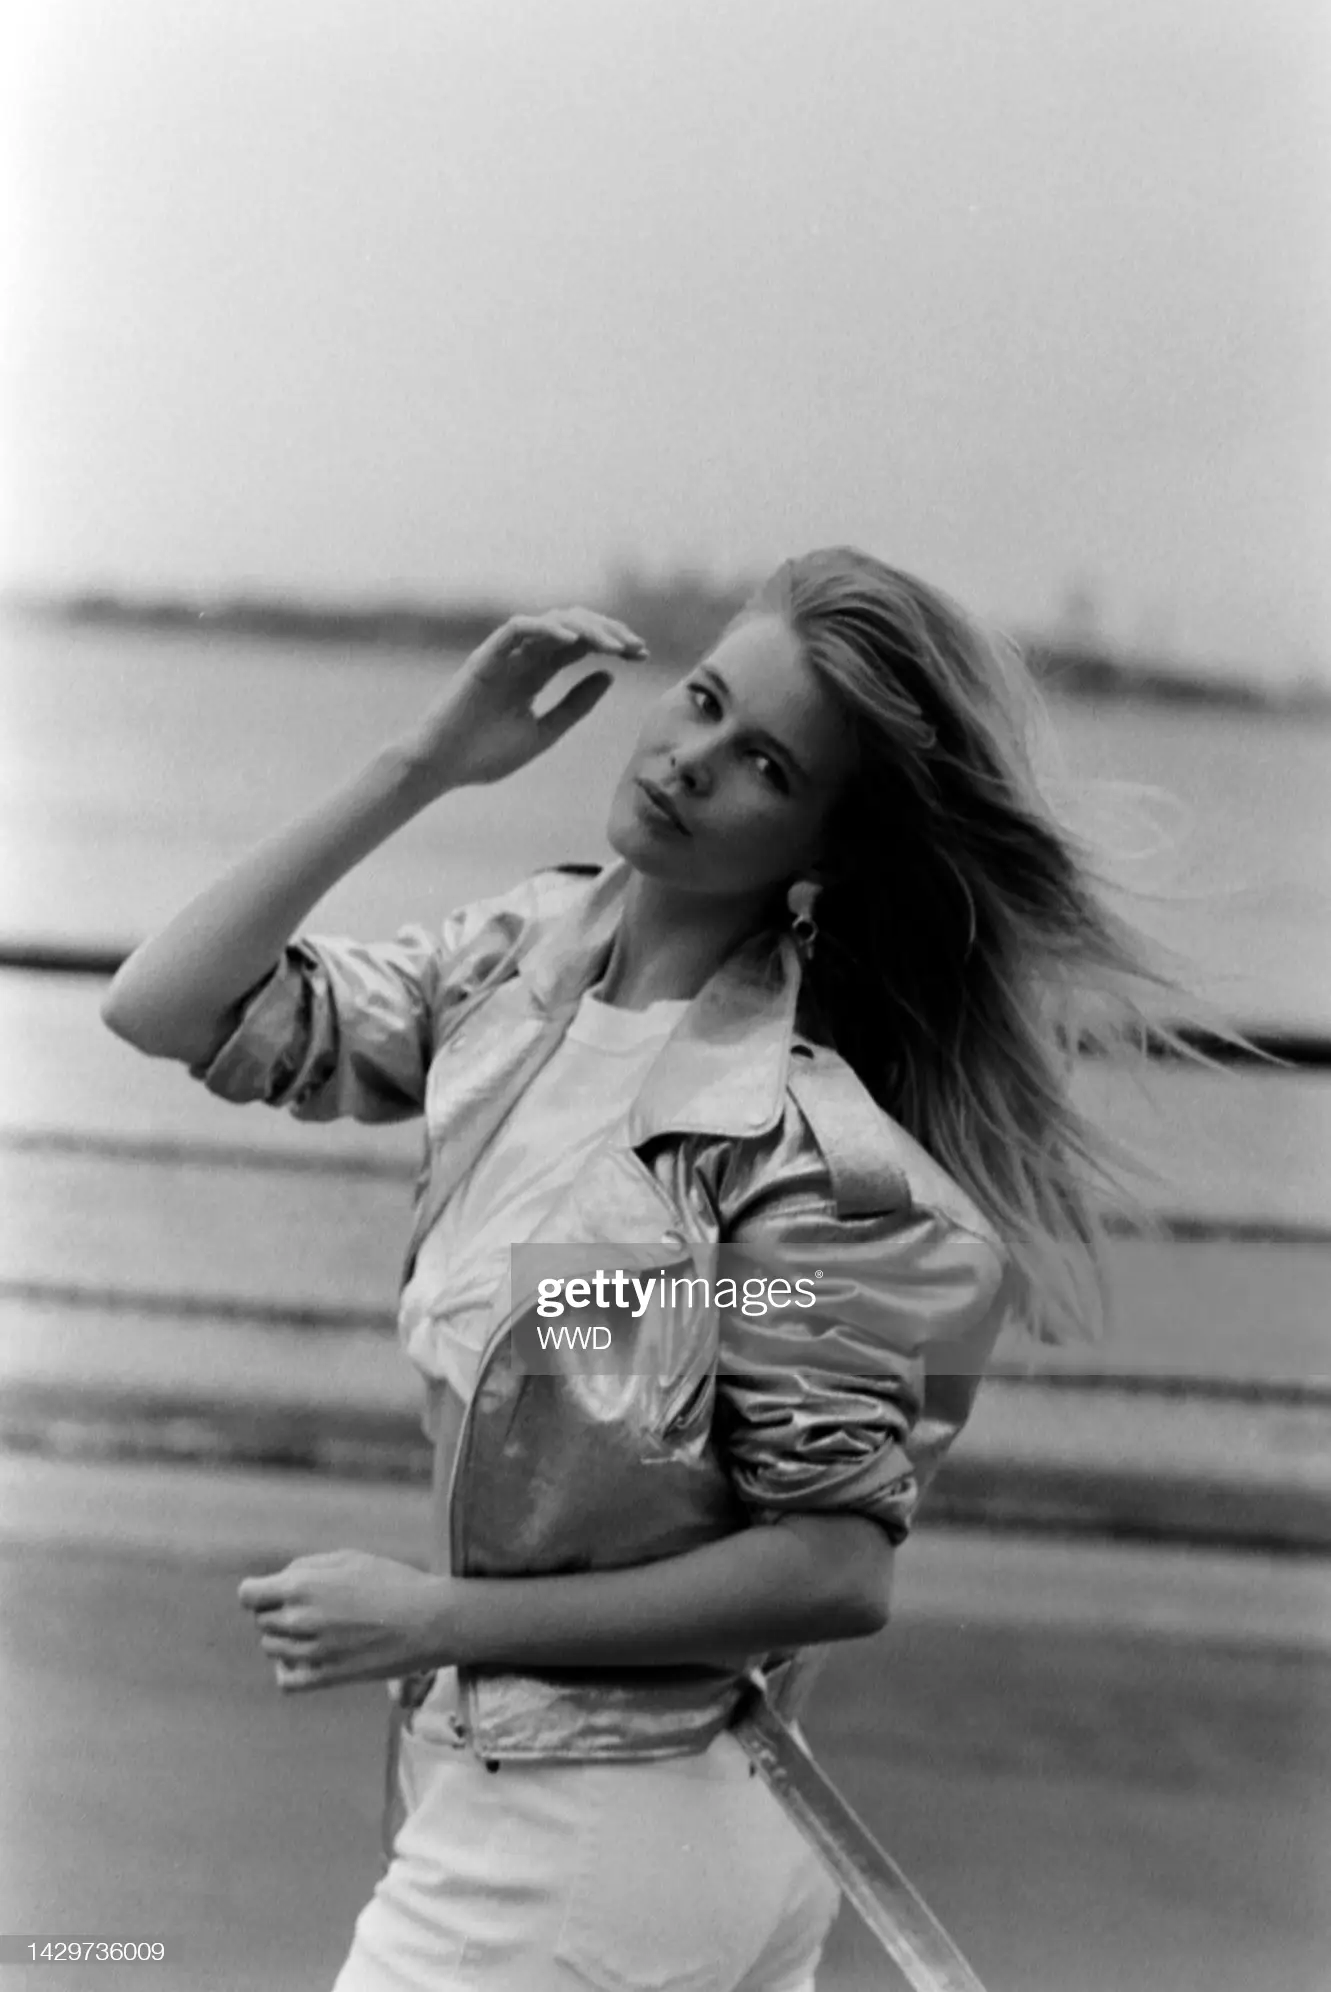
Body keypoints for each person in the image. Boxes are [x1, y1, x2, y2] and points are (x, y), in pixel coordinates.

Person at [101, 545, 1191, 1991]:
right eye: (702, 700)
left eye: (765, 766)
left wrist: (435, 1618)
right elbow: (165, 1005)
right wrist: (421, 764)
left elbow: (835, 1565)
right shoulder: (521, 968)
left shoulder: (807, 1153)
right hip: (594, 1817)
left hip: (597, 1838)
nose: (689, 761)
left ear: (826, 845)